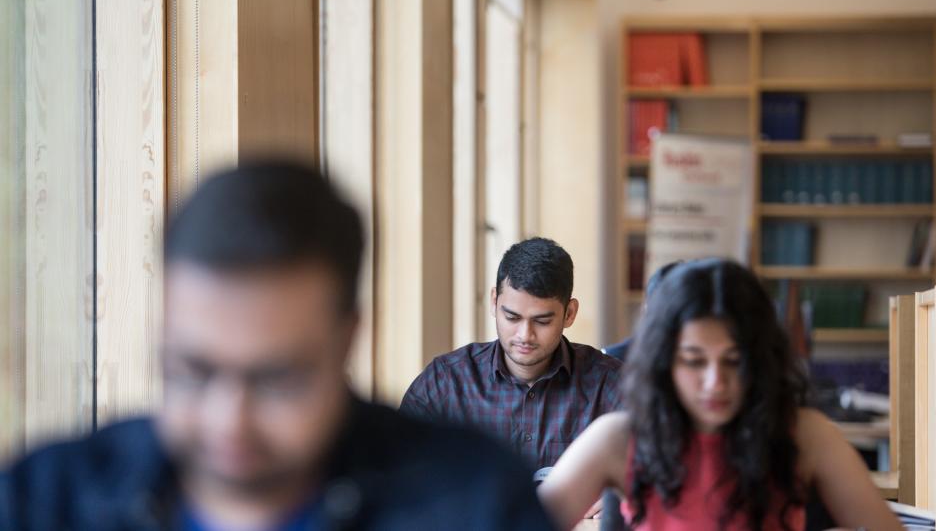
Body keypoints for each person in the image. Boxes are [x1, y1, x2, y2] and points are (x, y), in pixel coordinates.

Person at [0, 161, 556, 530]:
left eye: (276, 380)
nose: (229, 421)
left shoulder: (473, 505)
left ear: (349, 339)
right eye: (192, 370)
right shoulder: (45, 501)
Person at [538, 258, 903, 531]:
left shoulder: (806, 434)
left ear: (761, 360)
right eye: (695, 361)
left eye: (734, 361)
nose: (715, 382)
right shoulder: (618, 438)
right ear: (664, 361)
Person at [400, 237, 621, 473]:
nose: (525, 335)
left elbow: (655, 469)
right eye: (512, 318)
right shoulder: (446, 383)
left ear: (569, 313)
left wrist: (617, 496)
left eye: (542, 321)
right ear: (494, 302)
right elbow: (394, 469)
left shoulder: (609, 386)